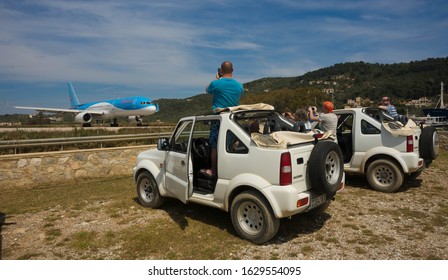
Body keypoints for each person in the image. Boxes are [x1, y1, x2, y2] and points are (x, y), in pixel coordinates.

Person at [202, 61, 243, 178]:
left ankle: (213, 170)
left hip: (219, 118)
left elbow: (207, 90)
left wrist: (218, 79)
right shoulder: (239, 86)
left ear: (220, 70)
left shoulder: (216, 83)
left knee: (215, 146)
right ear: (233, 70)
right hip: (233, 118)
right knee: (229, 146)